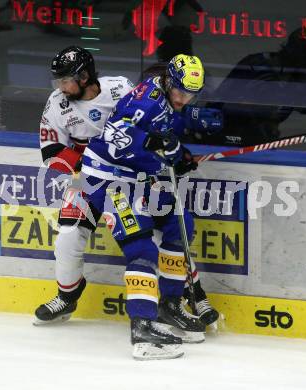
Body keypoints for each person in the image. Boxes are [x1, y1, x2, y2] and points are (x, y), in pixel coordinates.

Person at [81, 54, 219, 360]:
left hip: (140, 178)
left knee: (178, 224)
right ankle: (142, 327)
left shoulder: (171, 99)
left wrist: (177, 156)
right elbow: (115, 136)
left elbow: (167, 137)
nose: (185, 97)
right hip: (109, 180)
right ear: (169, 80)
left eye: (191, 93)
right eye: (181, 90)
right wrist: (155, 145)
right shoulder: (146, 101)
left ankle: (169, 306)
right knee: (141, 249)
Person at [34, 45, 134, 325]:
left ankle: (166, 299)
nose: (61, 87)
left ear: (85, 76)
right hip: (86, 181)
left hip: (126, 179)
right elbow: (51, 152)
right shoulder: (57, 103)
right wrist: (89, 165)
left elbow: (144, 125)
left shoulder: (121, 88)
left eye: (65, 80)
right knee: (67, 237)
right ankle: (67, 296)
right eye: (58, 80)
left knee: (146, 241)